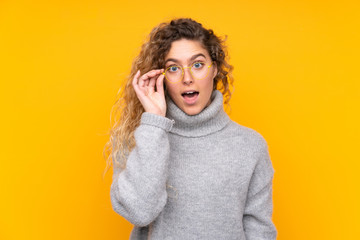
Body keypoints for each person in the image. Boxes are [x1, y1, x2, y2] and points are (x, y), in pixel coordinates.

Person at [106, 18, 277, 239]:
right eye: (174, 68)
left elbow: (259, 231)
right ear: (161, 77)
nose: (187, 78)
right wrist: (154, 123)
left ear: (214, 69)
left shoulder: (250, 145)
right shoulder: (143, 138)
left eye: (197, 65)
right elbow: (139, 212)